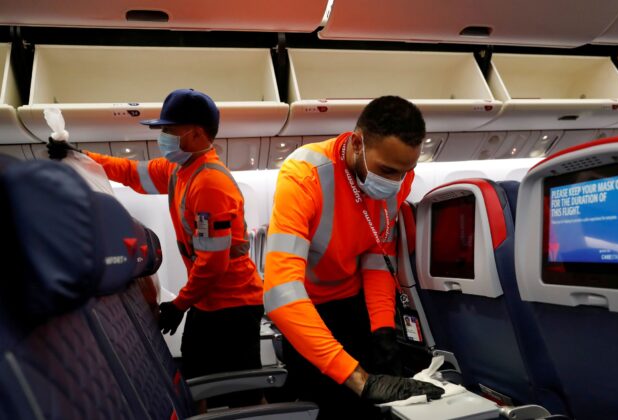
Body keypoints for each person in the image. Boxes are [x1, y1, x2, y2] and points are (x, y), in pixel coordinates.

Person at [47, 88, 264, 409]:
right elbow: (130, 173)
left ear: (197, 133)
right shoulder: (180, 170)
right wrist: (77, 156)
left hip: (232, 306)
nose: (163, 136)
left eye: (169, 130)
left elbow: (213, 264)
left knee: (241, 393)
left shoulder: (211, 185)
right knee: (196, 381)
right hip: (210, 302)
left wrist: (179, 304)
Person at [263, 95, 444, 418]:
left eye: (406, 171)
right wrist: (360, 380)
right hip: (308, 315)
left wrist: (383, 331)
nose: (396, 182)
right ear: (358, 143)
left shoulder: (398, 176)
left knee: (373, 411)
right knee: (331, 407)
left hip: (352, 305)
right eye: (387, 170)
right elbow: (280, 293)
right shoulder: (303, 176)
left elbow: (377, 254)